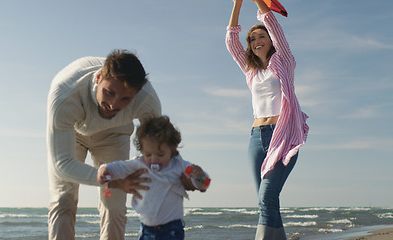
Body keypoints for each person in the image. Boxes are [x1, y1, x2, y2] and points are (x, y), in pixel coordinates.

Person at [46, 49, 162, 240]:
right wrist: (114, 180)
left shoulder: (147, 100)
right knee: (64, 199)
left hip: (114, 135)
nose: (113, 105)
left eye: (125, 99)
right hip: (73, 133)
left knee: (114, 206)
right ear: (99, 77)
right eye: (109, 92)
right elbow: (62, 165)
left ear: (137, 93)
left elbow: (158, 151)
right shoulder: (65, 94)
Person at [226, 0, 309, 239]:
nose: (256, 42)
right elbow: (231, 42)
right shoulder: (251, 71)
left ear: (271, 40)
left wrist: (258, 1)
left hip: (281, 135)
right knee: (266, 201)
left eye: (261, 37)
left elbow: (273, 24)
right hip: (255, 138)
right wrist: (237, 4)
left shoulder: (284, 62)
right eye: (252, 39)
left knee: (266, 198)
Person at [97, 116, 210, 240]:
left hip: (171, 229)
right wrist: (104, 169)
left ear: (172, 149)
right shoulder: (139, 164)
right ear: (142, 151)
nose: (154, 159)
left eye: (160, 155)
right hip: (146, 229)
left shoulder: (179, 166)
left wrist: (199, 175)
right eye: (148, 154)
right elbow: (119, 167)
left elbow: (203, 183)